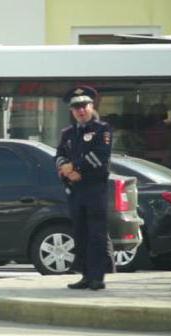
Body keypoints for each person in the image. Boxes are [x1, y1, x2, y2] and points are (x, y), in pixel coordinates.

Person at [55, 86, 113, 291]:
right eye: (76, 107)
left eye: (84, 106)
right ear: (72, 110)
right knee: (80, 234)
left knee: (96, 234)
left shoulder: (101, 129)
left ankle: (97, 277)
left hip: (95, 189)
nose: (80, 111)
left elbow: (100, 155)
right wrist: (65, 168)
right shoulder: (68, 133)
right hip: (76, 190)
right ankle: (86, 276)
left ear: (91, 106)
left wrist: (77, 167)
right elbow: (60, 155)